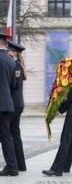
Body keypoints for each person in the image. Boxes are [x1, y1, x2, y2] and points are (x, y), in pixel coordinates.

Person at [7, 41, 27, 172]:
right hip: (17, 104)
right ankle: (20, 164)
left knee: (6, 132)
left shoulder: (17, 66)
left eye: (9, 50)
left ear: (14, 52)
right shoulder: (17, 65)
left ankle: (13, 164)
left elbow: (14, 85)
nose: (7, 52)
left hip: (14, 104)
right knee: (14, 133)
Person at [0, 33, 18, 176]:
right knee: (6, 135)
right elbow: (13, 84)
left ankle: (12, 166)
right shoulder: (11, 61)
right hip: (6, 102)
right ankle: (12, 165)